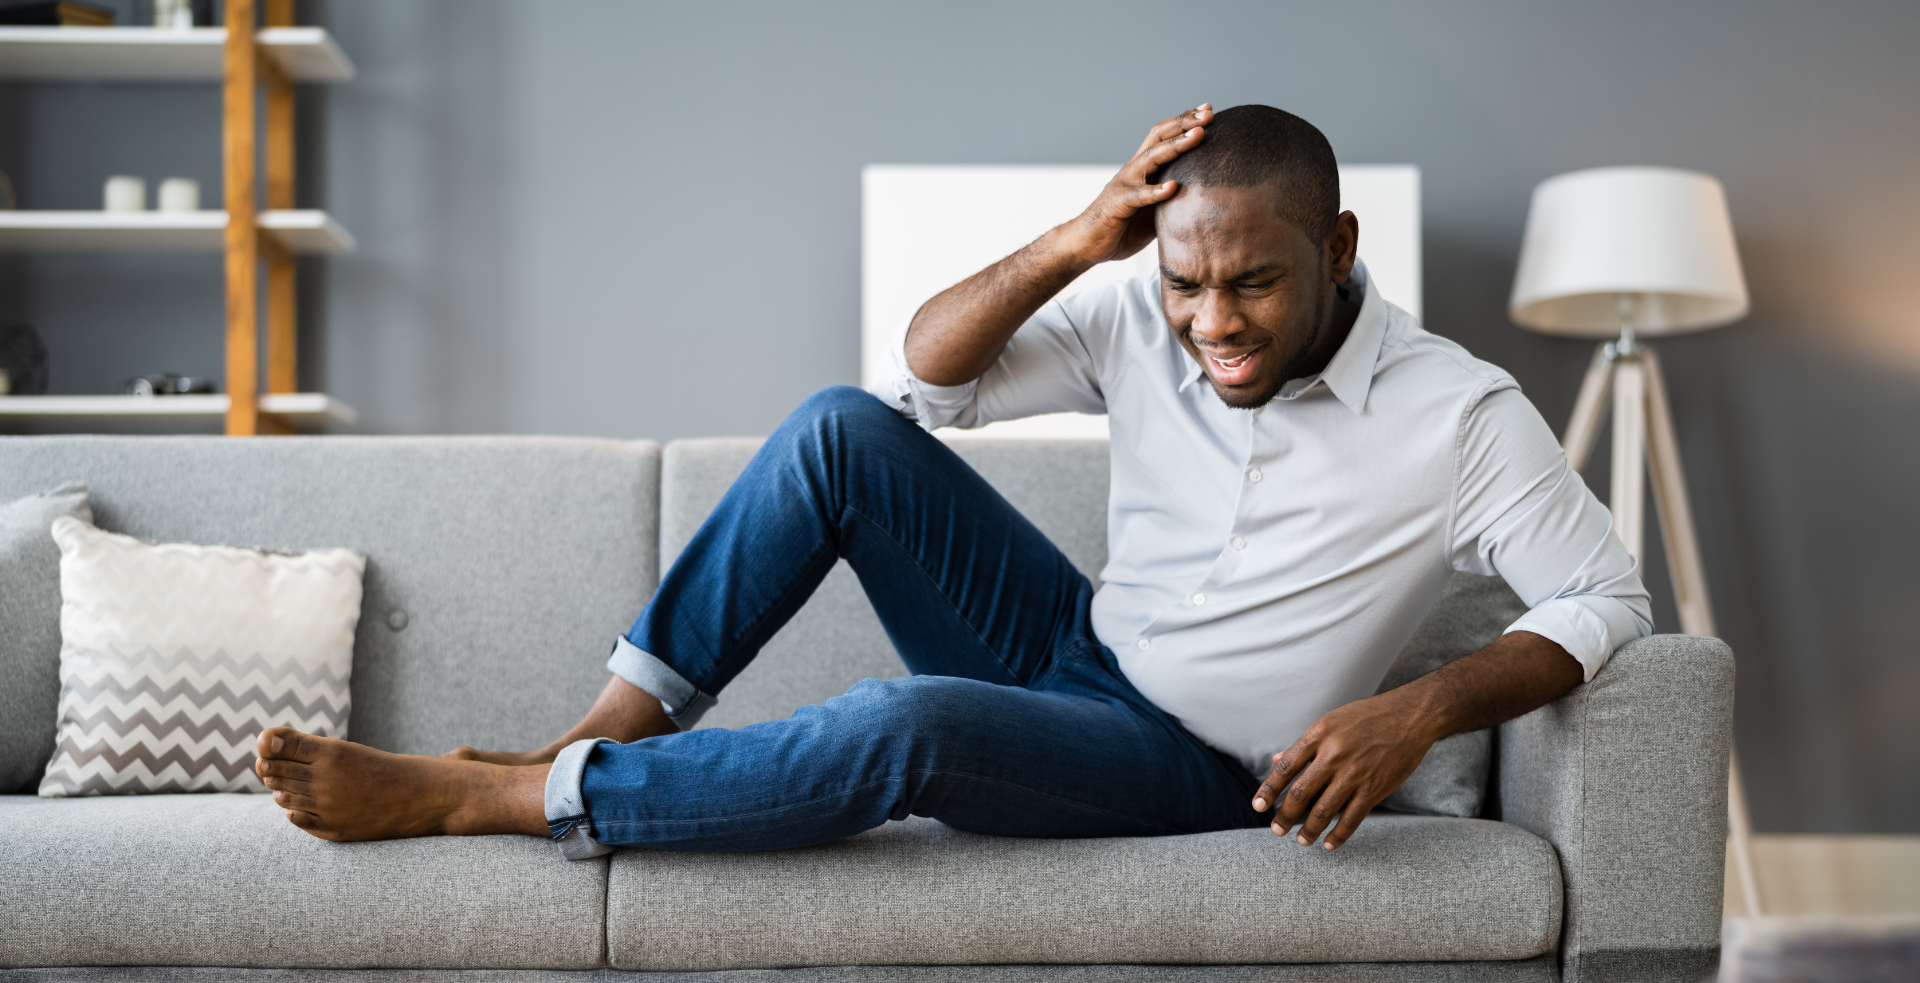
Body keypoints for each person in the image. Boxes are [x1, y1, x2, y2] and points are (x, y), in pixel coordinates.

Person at [254, 103, 1649, 857]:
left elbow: (1603, 593)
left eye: (1256, 284)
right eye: (1188, 285)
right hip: (1072, 642)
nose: (1214, 325)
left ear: (1339, 246)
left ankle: (495, 800)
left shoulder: (1459, 414)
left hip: (1186, 765)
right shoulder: (1135, 307)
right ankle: (587, 737)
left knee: (909, 724)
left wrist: (1423, 705)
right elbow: (926, 382)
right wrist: (1076, 243)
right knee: (840, 429)